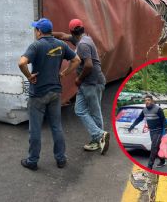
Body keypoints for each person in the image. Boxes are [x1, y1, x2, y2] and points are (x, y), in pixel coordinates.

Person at [18, 18, 81, 171]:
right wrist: (65, 73)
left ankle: (32, 161)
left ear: (39, 31)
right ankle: (60, 159)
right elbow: (77, 60)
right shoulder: (61, 44)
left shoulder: (36, 45)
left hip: (38, 93)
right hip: (55, 92)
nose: (35, 32)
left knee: (35, 129)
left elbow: (21, 63)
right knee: (56, 127)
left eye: (35, 29)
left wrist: (29, 76)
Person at [52, 19, 110, 154]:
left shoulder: (83, 45)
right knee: (80, 109)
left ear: (72, 31)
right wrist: (48, 33)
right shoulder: (83, 39)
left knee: (94, 112)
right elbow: (62, 35)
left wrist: (79, 79)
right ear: (82, 29)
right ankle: (99, 135)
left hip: (92, 83)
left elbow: (89, 65)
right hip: (90, 83)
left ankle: (98, 138)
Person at [127, 96, 167, 169]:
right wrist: (132, 126)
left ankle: (149, 166)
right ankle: (162, 161)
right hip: (151, 131)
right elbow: (139, 119)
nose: (147, 101)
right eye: (145, 100)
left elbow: (163, 119)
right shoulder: (144, 110)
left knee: (154, 147)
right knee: (157, 147)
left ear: (152, 101)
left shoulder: (158, 109)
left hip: (158, 130)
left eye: (149, 100)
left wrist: (166, 128)